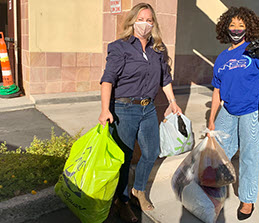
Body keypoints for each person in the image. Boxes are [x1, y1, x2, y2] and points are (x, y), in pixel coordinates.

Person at [99, 3, 182, 222]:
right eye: (141, 19)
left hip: (148, 108)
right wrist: (105, 109)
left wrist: (172, 101)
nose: (145, 23)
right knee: (124, 158)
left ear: (153, 24)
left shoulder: (158, 50)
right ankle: (122, 201)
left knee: (151, 151)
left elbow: (165, 79)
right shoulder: (120, 47)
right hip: (124, 108)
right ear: (132, 21)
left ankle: (138, 190)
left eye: (149, 20)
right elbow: (108, 79)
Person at [207, 6, 259, 221]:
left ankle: (248, 199)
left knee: (250, 158)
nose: (236, 29)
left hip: (251, 111)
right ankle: (217, 190)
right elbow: (217, 90)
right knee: (219, 153)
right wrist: (212, 120)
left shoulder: (255, 50)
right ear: (225, 28)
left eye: (241, 25)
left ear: (249, 28)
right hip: (228, 110)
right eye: (232, 25)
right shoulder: (222, 58)